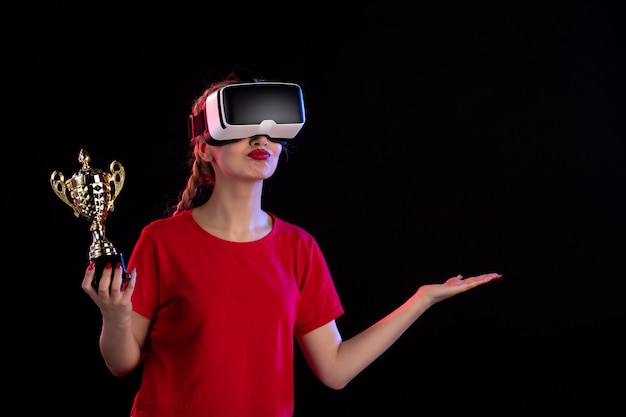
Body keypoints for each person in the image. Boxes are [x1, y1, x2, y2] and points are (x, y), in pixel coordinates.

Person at [81, 73, 502, 417]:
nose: (261, 141)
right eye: (245, 129)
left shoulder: (299, 248)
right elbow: (121, 364)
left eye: (271, 132)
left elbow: (334, 369)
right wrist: (114, 317)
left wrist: (421, 300)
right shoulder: (162, 240)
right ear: (206, 148)